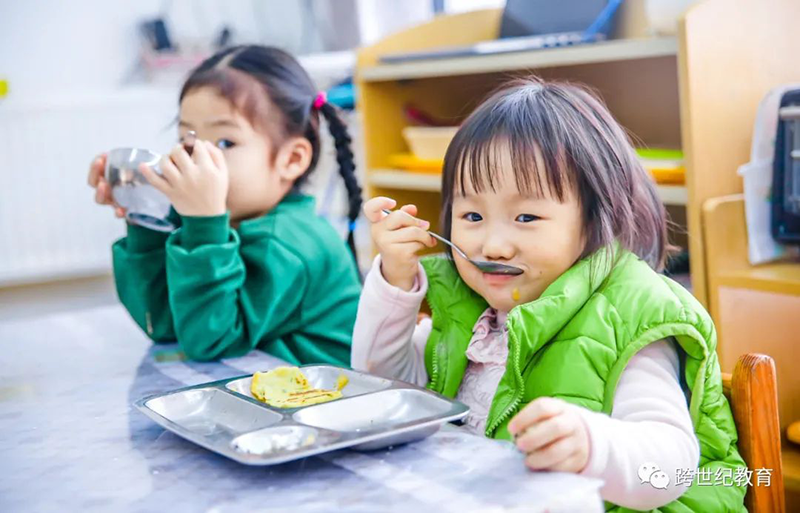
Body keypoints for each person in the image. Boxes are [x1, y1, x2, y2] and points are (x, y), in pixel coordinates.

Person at [352, 78, 746, 511]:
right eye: (472, 215)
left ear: (598, 218)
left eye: (526, 215)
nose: (493, 245)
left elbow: (672, 468)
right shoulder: (469, 311)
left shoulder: (629, 321)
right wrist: (395, 281)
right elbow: (384, 387)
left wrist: (593, 446)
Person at [88, 45, 362, 365]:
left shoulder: (289, 243)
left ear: (292, 159)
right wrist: (147, 215)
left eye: (224, 143)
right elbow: (162, 324)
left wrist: (203, 225)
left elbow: (209, 342)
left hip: (333, 402)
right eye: (186, 140)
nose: (197, 157)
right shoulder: (228, 220)